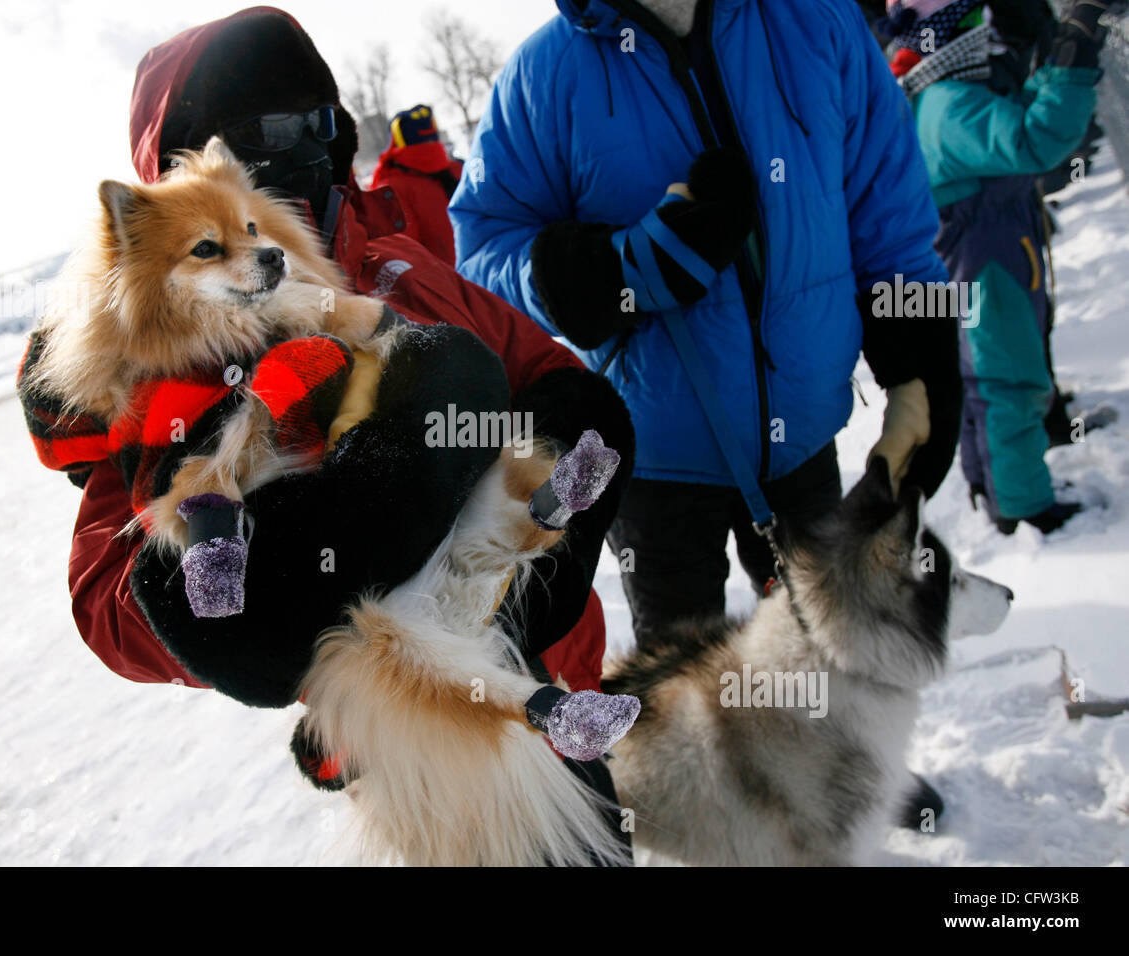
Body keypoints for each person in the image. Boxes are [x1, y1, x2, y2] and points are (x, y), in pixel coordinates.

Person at [69, 6, 634, 828]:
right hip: (424, 738)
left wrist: (571, 443)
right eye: (268, 127)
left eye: (316, 121)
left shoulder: (393, 255)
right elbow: (103, 592)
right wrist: (290, 577)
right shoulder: (168, 342)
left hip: (554, 662)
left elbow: (546, 370)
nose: (300, 144)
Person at [449, 0, 964, 828]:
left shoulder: (818, 23)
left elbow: (888, 214)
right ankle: (704, 814)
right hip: (654, 457)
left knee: (827, 637)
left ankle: (842, 778)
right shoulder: (547, 73)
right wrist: (618, 269)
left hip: (801, 439)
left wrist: (918, 370)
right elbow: (482, 246)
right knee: (680, 663)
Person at [883, 0, 1117, 533]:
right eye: (974, 26)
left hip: (983, 256)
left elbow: (1011, 122)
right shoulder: (951, 104)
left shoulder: (937, 94)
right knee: (1008, 379)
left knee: (981, 377)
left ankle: (992, 485)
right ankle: (1025, 507)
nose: (989, 37)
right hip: (989, 263)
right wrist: (1073, 55)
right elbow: (1034, 139)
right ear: (952, 39)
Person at [369, 104, 465, 265]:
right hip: (484, 275)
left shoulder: (391, 188)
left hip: (442, 285)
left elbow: (403, 254)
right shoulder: (460, 169)